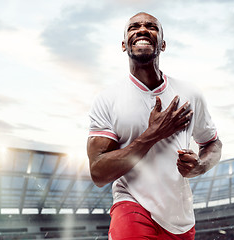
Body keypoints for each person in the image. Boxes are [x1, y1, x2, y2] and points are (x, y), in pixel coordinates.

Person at [87, 12, 222, 240]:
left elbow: (212, 143)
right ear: (123, 44)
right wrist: (152, 134)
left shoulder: (189, 93)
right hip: (131, 204)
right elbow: (98, 172)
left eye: (151, 26)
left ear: (163, 44)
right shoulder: (107, 99)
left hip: (179, 218)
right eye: (133, 27)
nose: (141, 30)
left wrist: (200, 165)